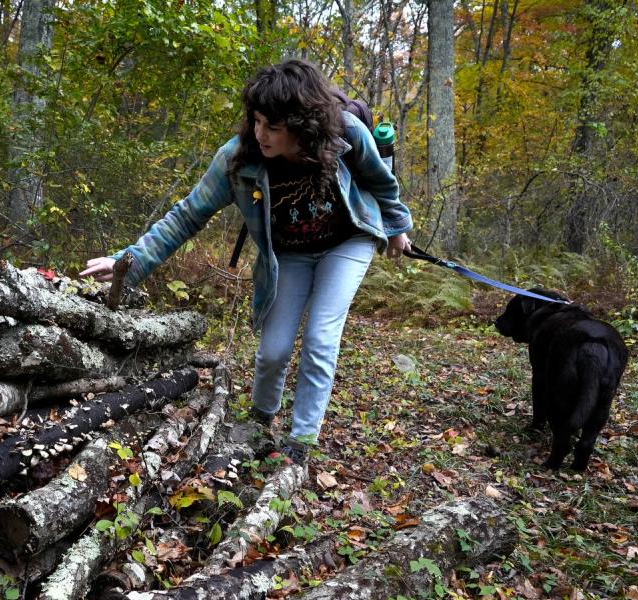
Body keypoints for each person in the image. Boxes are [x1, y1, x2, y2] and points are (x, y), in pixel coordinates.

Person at [81, 59, 412, 467]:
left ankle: (302, 439)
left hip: (348, 241)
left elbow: (381, 181)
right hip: (288, 254)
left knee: (320, 337)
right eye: (256, 121)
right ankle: (260, 419)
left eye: (273, 126)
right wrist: (126, 262)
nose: (261, 133)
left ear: (303, 124)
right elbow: (187, 215)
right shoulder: (237, 159)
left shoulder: (345, 134)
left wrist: (397, 227)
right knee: (273, 350)